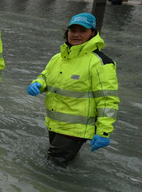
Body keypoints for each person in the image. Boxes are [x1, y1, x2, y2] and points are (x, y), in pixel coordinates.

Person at [26, 13, 119, 166]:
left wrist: (104, 132)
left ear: (93, 33)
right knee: (60, 164)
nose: (76, 35)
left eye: (82, 31)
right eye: (73, 30)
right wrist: (38, 84)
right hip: (55, 123)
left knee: (52, 166)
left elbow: (107, 100)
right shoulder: (58, 58)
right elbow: (45, 77)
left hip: (76, 129)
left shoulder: (101, 63)